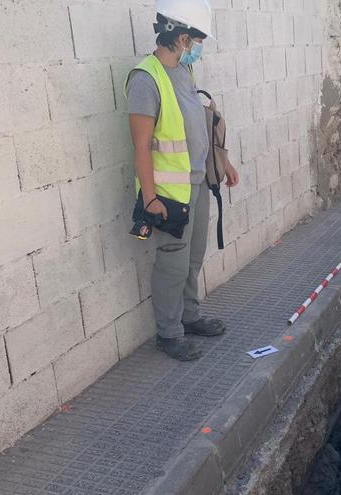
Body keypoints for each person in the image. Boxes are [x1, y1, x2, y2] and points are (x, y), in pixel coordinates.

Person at [126, 0, 239, 361]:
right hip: (169, 193)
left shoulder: (184, 73)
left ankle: (190, 317)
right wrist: (149, 198)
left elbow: (195, 127)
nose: (198, 48)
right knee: (173, 262)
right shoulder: (146, 78)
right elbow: (141, 146)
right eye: (196, 40)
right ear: (181, 37)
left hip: (198, 181)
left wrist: (222, 163)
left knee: (193, 256)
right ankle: (169, 333)